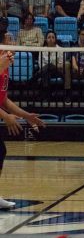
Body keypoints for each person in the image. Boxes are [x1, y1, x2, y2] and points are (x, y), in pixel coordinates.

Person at [0, 19, 45, 209]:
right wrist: (5, 117)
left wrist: (26, 116)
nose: (12, 39)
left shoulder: (5, 62)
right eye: (9, 37)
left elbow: (3, 99)